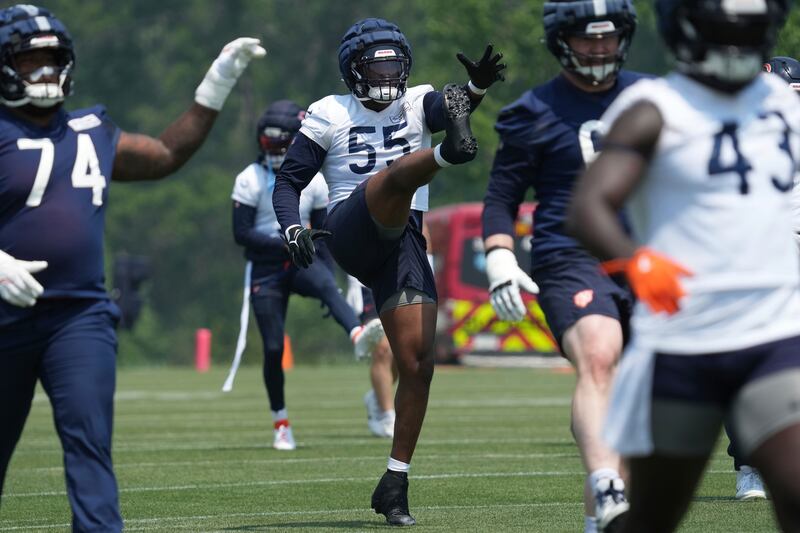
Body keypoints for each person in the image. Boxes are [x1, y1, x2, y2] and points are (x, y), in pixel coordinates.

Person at [0, 4, 264, 531]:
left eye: (54, 59)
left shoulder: (90, 129)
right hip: (2, 322)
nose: (47, 71)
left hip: (78, 318)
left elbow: (166, 152)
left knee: (90, 446)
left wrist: (216, 84)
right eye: (33, 61)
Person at [566, 0, 800, 531]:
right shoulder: (655, 106)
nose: (736, 48)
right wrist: (638, 263)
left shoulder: (783, 102)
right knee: (651, 518)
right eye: (724, 34)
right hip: (685, 343)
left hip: (775, 337)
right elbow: (588, 207)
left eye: (751, 33)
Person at [273, 17, 504, 526]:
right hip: (350, 230)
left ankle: (395, 481)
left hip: (403, 242)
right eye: (376, 65)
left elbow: (450, 105)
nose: (387, 74)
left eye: (393, 64)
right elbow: (288, 184)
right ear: (352, 71)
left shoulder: (417, 100)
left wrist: (476, 88)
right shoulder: (329, 113)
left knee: (419, 363)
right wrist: (291, 228)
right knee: (394, 177)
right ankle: (446, 154)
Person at [480, 1, 641, 531]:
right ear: (561, 41)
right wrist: (500, 255)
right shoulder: (534, 111)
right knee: (599, 356)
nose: (599, 48)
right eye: (587, 38)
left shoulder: (654, 99)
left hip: (649, 260)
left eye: (608, 37)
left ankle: (605, 517)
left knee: (635, 396)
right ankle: (606, 483)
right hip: (570, 254)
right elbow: (502, 197)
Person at [231, 100, 385, 451]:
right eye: (272, 146)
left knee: (325, 284)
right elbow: (241, 234)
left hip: (302, 257)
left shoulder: (313, 181)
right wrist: (283, 244)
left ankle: (358, 331)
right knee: (272, 348)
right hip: (268, 266)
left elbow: (323, 231)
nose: (277, 152)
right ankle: (281, 422)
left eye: (284, 145)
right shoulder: (248, 179)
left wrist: (327, 271)